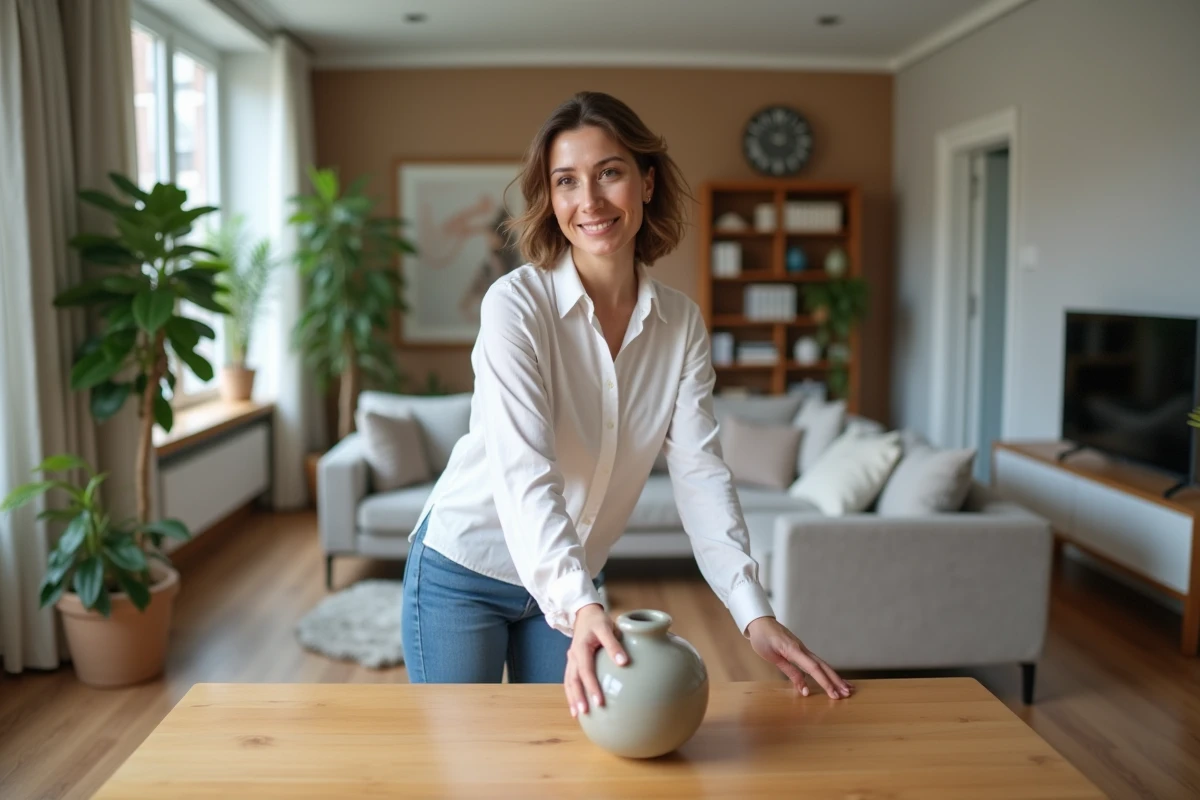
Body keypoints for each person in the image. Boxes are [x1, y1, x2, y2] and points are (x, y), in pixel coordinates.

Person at [400, 91, 854, 716]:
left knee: (563, 755)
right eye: (566, 180)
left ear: (646, 181)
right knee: (463, 752)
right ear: (549, 197)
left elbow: (701, 475)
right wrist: (582, 603)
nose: (589, 201)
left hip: (576, 582)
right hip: (464, 570)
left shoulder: (681, 325)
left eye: (608, 172)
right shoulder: (515, 307)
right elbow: (526, 473)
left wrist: (754, 613)